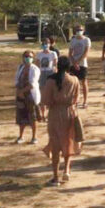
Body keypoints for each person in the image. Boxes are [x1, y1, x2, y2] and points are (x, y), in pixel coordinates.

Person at [41, 56, 79, 187]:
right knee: (68, 141)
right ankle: (67, 169)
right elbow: (76, 99)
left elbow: (45, 100)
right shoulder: (74, 80)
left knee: (55, 144)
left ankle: (55, 176)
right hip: (69, 112)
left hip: (55, 113)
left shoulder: (51, 81)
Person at [15, 50, 41, 145]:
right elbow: (16, 81)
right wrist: (19, 92)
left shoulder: (35, 69)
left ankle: (34, 137)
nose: (28, 58)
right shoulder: (20, 67)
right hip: (20, 95)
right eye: (26, 56)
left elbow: (32, 84)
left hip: (31, 96)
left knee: (32, 117)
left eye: (30, 56)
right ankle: (21, 136)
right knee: (21, 116)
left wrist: (22, 91)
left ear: (33, 58)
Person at [69, 25, 90, 109]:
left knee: (84, 82)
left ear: (83, 30)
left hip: (82, 64)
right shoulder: (73, 40)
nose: (79, 31)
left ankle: (85, 101)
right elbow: (70, 53)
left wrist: (78, 62)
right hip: (73, 63)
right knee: (74, 83)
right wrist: (74, 63)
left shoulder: (86, 40)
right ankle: (75, 100)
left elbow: (86, 53)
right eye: (77, 30)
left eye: (80, 30)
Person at [37, 38, 58, 122]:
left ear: (50, 44)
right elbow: (37, 65)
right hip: (42, 74)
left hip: (50, 73)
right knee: (42, 95)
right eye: (44, 43)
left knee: (52, 94)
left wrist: (55, 72)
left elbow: (56, 65)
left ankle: (52, 114)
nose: (46, 45)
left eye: (47, 43)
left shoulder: (53, 53)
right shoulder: (39, 54)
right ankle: (43, 115)